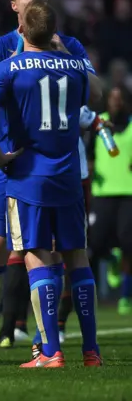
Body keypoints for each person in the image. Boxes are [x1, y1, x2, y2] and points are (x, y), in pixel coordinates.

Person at [0, 0, 103, 364]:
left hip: (27, 166)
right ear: (13, 6)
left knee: (44, 252)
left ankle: (44, 342)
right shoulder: (0, 46)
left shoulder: (68, 45)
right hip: (15, 168)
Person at [87, 85, 132, 316]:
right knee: (95, 243)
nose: (116, 103)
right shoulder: (98, 123)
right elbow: (89, 154)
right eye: (112, 98)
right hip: (102, 192)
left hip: (128, 192)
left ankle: (125, 296)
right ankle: (110, 259)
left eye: (120, 98)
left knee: (128, 242)